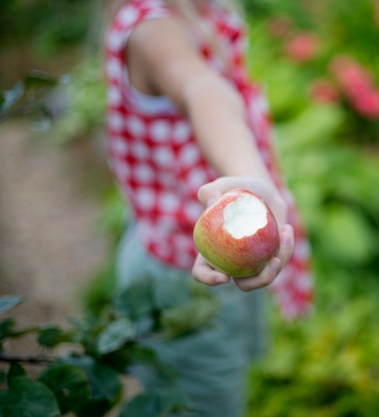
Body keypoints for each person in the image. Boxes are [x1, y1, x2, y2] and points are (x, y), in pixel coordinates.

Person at [102, 0, 313, 415]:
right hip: (182, 282)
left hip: (230, 262)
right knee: (202, 403)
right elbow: (201, 89)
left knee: (233, 371)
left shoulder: (206, 10)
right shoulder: (152, 31)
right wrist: (250, 177)